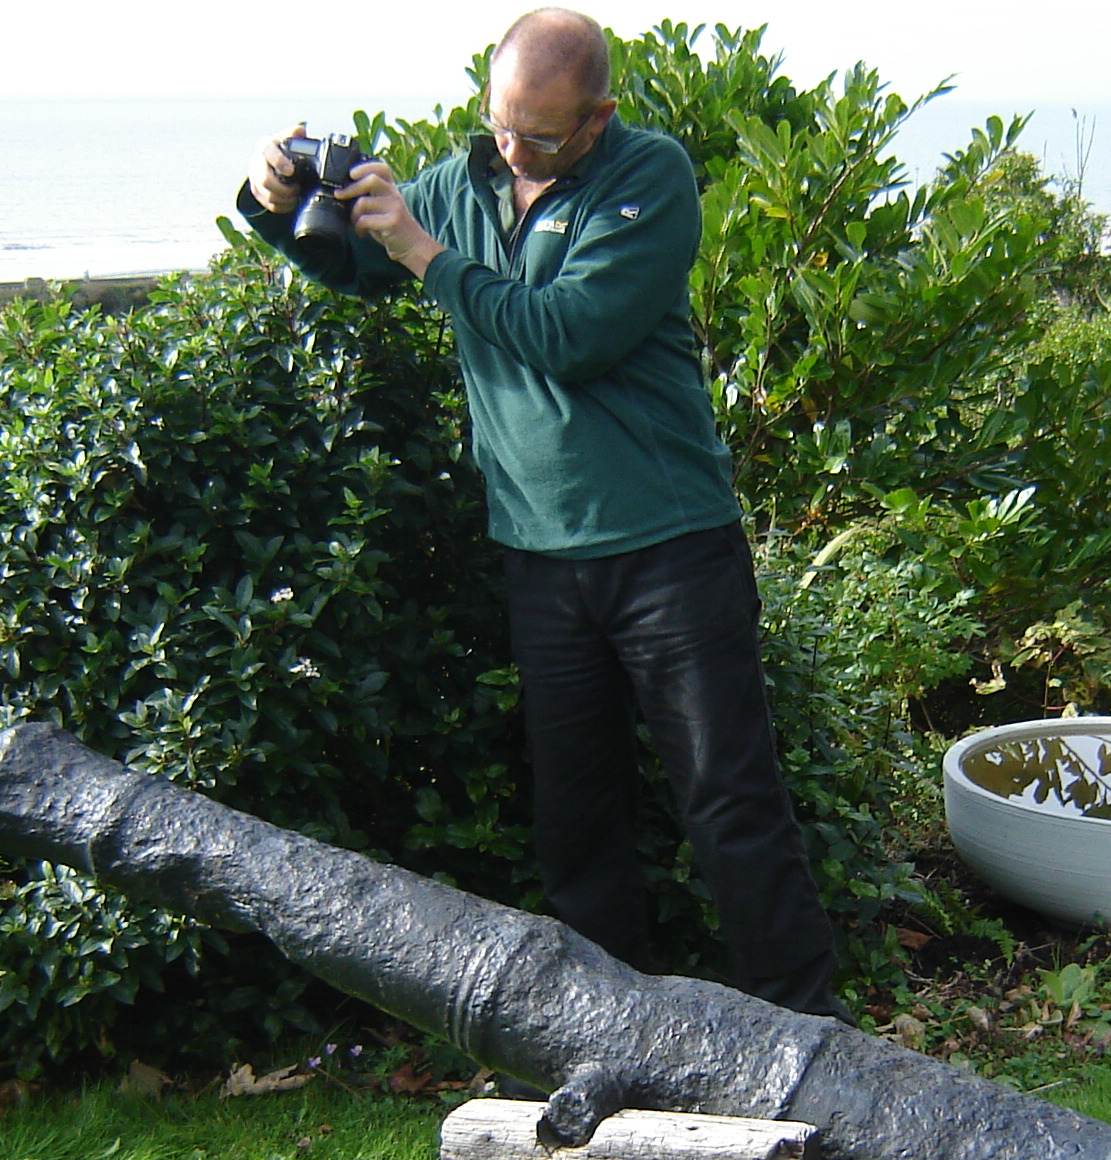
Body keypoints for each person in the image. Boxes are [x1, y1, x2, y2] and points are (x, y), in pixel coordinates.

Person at [239, 7, 846, 1020]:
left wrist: (429, 255)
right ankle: (607, 1037)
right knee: (576, 823)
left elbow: (569, 333)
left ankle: (815, 1040)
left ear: (598, 117)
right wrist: (278, 204)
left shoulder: (648, 179)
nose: (512, 150)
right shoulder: (459, 184)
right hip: (541, 559)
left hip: (670, 550)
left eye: (542, 137)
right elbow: (353, 268)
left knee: (731, 806)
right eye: (501, 123)